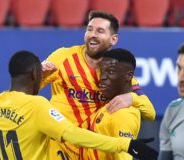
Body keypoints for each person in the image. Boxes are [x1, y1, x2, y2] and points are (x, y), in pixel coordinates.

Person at [0, 50, 158, 160]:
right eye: (40, 73)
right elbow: (72, 134)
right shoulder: (37, 105)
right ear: (33, 74)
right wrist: (125, 144)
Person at [41, 10, 156, 158]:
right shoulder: (62, 58)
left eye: (100, 31)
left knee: (126, 112)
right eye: (89, 29)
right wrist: (39, 75)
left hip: (96, 149)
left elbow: (150, 113)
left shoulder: (117, 72)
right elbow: (29, 90)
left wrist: (132, 98)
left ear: (113, 39)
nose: (92, 34)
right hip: (62, 147)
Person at [83, 48, 142, 160]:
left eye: (110, 72)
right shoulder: (108, 105)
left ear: (128, 76)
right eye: (102, 71)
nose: (103, 77)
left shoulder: (124, 114)